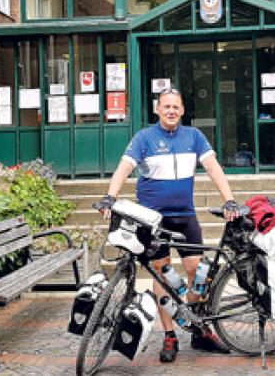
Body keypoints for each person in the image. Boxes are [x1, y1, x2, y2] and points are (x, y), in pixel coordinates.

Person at [96, 89, 240, 363]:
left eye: (176, 106)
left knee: (196, 270)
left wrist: (229, 200)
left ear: (182, 110)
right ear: (158, 110)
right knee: (162, 273)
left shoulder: (194, 137)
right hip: (154, 220)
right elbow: (123, 169)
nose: (171, 111)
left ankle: (198, 327)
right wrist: (110, 197)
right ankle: (170, 335)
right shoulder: (144, 138)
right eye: (166, 107)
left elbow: (213, 168)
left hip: (185, 215)